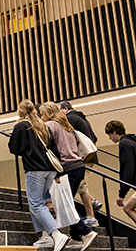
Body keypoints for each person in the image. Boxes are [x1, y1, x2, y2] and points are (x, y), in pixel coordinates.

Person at [8, 99, 71, 251]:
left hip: (34, 170)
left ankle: (56, 234)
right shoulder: (43, 126)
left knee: (36, 204)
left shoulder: (21, 126)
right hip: (49, 170)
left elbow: (13, 148)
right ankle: (43, 236)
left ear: (20, 111)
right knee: (36, 202)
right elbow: (55, 149)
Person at [39, 101, 97, 250]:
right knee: (67, 201)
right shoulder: (66, 125)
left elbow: (50, 149)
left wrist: (57, 172)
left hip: (67, 168)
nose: (41, 117)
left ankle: (86, 232)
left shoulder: (51, 125)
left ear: (47, 113)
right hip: (78, 166)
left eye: (42, 114)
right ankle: (77, 237)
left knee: (64, 204)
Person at [60, 100, 102, 224]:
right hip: (90, 156)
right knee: (80, 183)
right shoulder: (82, 119)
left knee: (82, 186)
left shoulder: (70, 119)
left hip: (82, 158)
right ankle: (93, 201)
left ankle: (91, 217)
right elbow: (95, 138)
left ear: (66, 109)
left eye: (60, 111)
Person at [104, 120, 136, 224]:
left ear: (114, 132)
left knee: (127, 208)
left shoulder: (124, 144)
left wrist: (122, 194)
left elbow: (127, 168)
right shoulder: (132, 141)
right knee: (128, 207)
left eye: (109, 135)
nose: (110, 138)